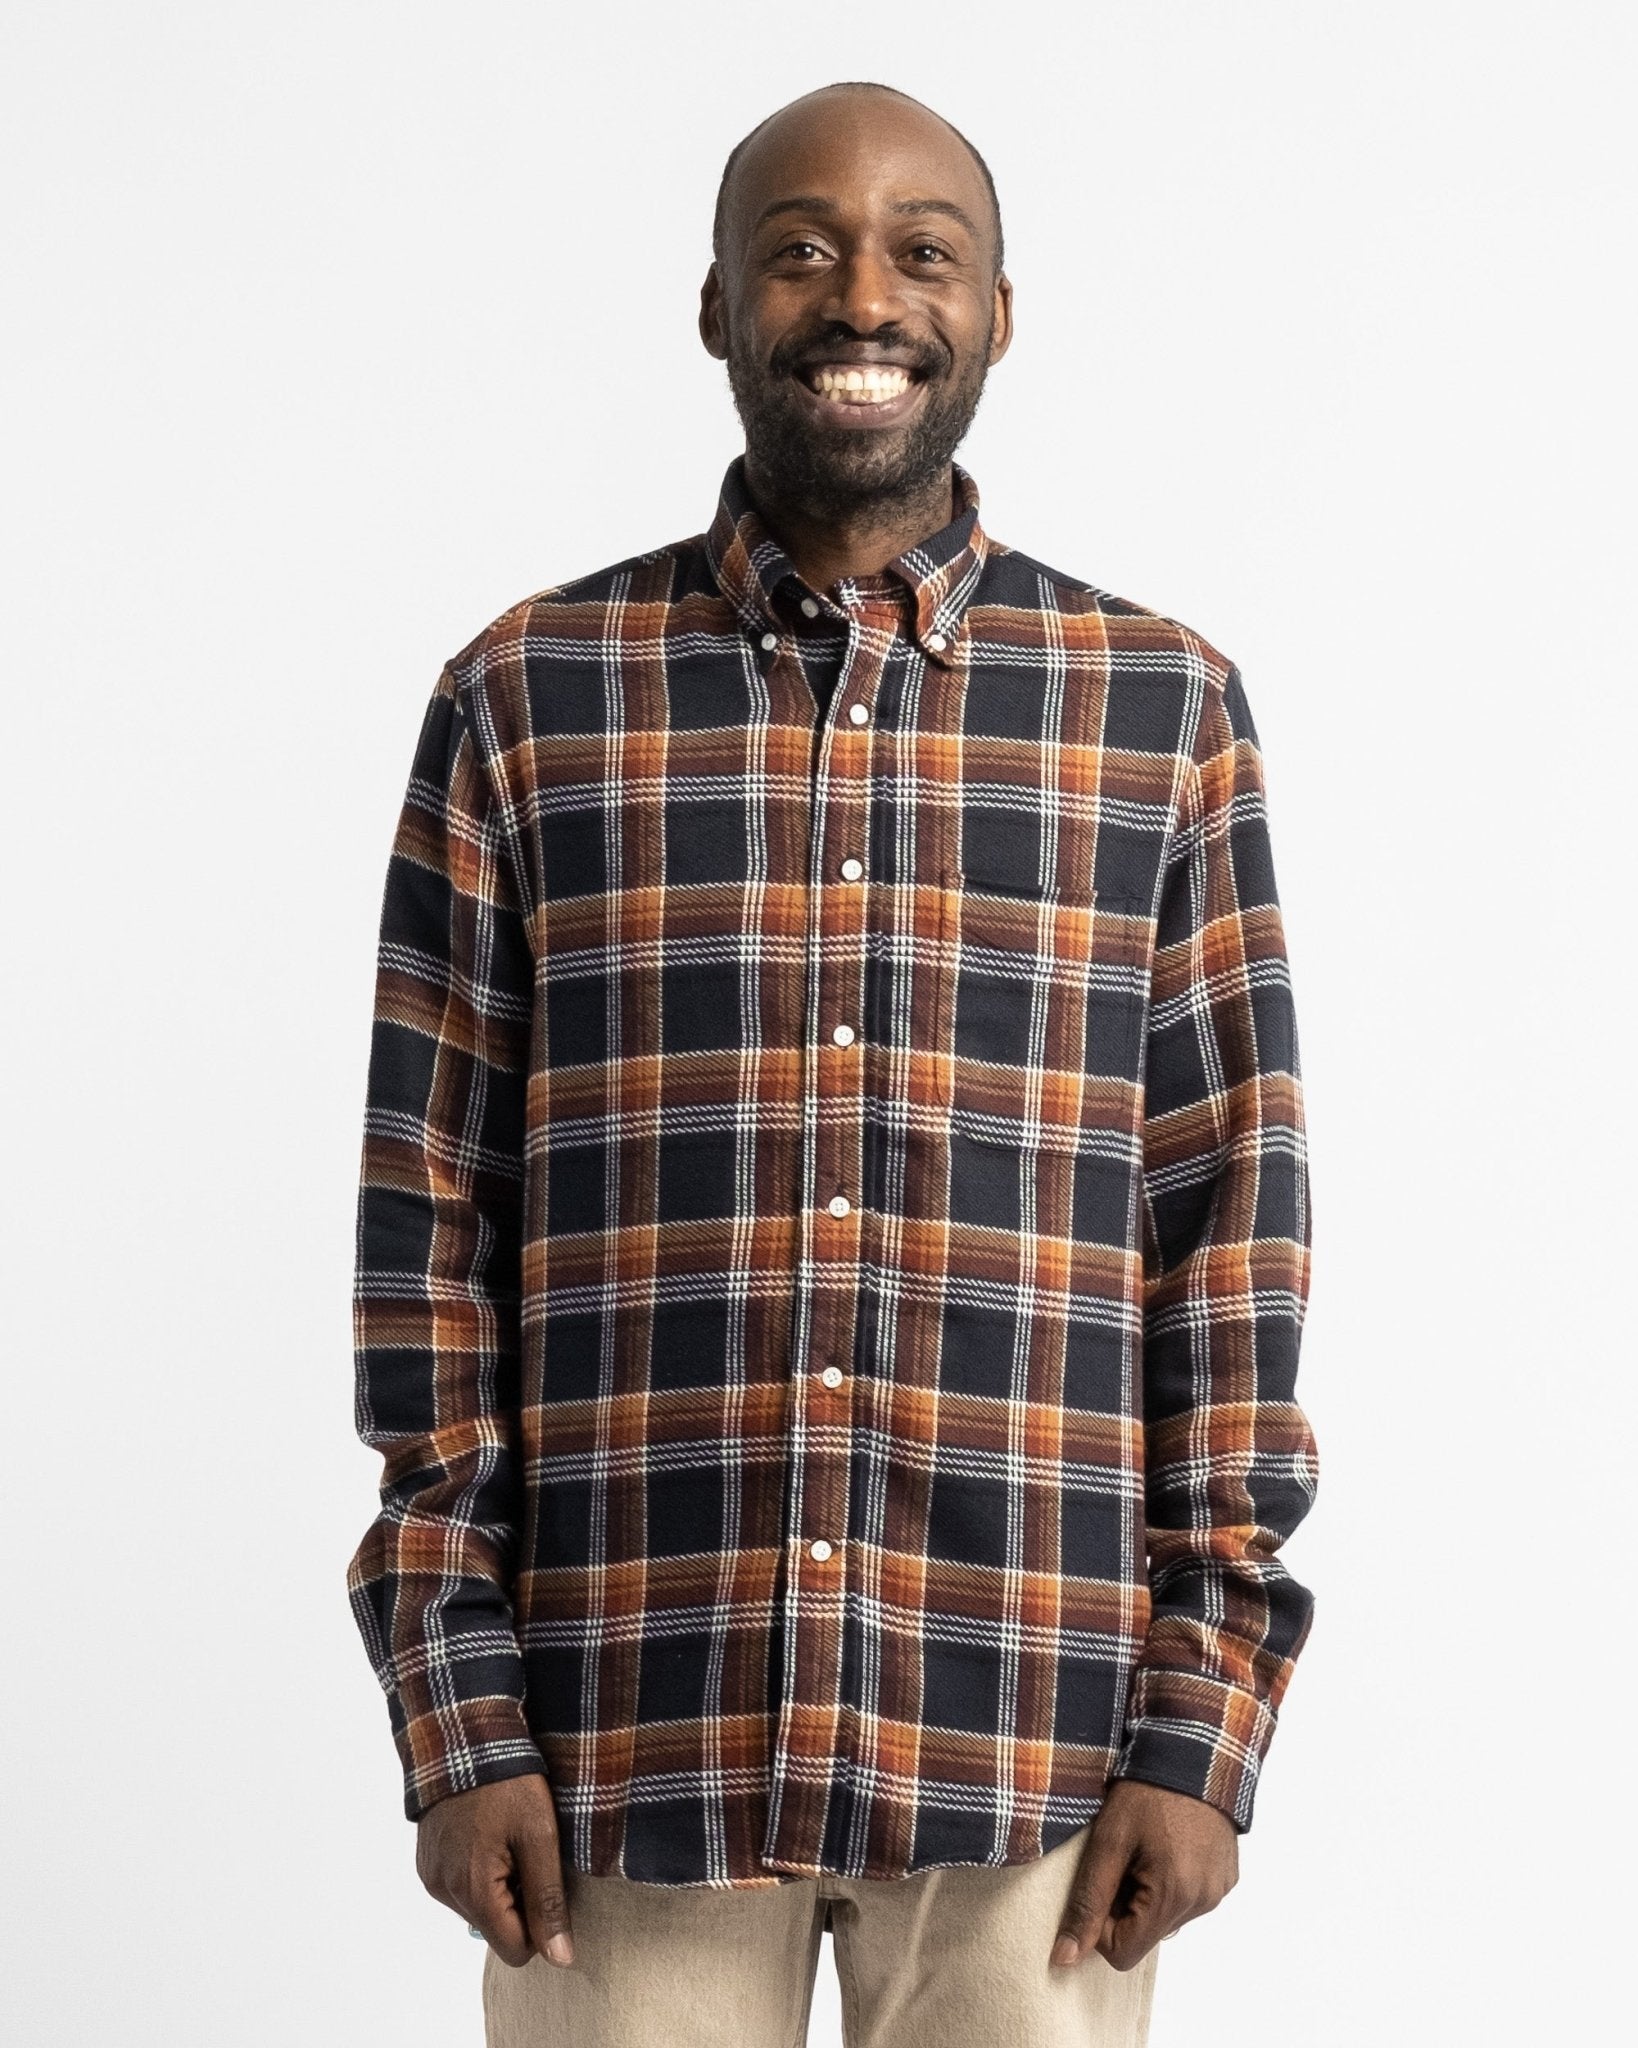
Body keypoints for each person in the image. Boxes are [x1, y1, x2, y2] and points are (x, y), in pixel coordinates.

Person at [345, 77, 1319, 2048]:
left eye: (920, 252)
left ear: (996, 312)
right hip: (621, 1732)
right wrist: (457, 1713)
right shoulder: (527, 700)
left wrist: (1207, 1715)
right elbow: (431, 1225)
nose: (862, 296)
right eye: (798, 249)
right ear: (717, 304)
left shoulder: (1159, 711)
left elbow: (1227, 1227)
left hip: (1038, 1741)